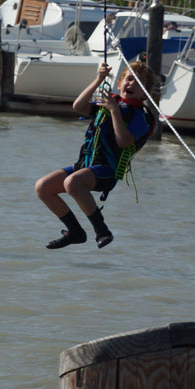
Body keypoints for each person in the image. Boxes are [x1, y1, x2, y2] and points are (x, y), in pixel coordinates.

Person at [35, 58, 156, 249]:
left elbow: (124, 142)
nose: (132, 84)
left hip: (108, 171)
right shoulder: (110, 102)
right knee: (43, 187)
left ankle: (102, 230)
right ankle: (75, 232)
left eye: (138, 82)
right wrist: (99, 79)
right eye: (129, 79)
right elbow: (79, 106)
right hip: (86, 165)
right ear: (119, 84)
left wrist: (114, 111)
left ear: (145, 93)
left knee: (72, 183)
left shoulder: (141, 116)